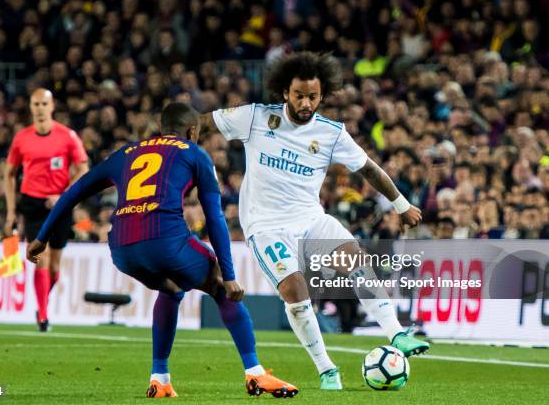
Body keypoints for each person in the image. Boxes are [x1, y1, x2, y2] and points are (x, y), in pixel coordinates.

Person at [26, 103, 298, 398]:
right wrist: (229, 275)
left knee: (171, 289)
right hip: (165, 240)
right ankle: (256, 373)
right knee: (219, 286)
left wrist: (41, 238)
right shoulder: (195, 153)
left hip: (122, 250)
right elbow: (215, 218)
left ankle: (160, 378)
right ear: (192, 130)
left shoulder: (127, 153)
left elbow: (73, 192)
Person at [199, 51, 430, 390]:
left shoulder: (331, 132)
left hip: (310, 219)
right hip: (265, 226)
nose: (306, 103)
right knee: (295, 289)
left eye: (313, 96)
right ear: (284, 92)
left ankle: (397, 333)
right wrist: (175, 146)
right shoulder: (255, 118)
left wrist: (401, 204)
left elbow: (367, 168)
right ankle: (327, 369)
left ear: (322, 96)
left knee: (356, 259)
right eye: (299, 95)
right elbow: (203, 123)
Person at [4, 88, 89, 332]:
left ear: (51, 107)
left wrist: (64, 195)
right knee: (41, 259)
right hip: (33, 203)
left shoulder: (68, 136)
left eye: (44, 104)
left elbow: (83, 168)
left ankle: (43, 302)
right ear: (30, 107)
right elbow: (8, 174)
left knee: (54, 269)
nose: (39, 108)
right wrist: (11, 211)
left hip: (60, 205)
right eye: (35, 104)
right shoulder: (21, 138)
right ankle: (43, 316)